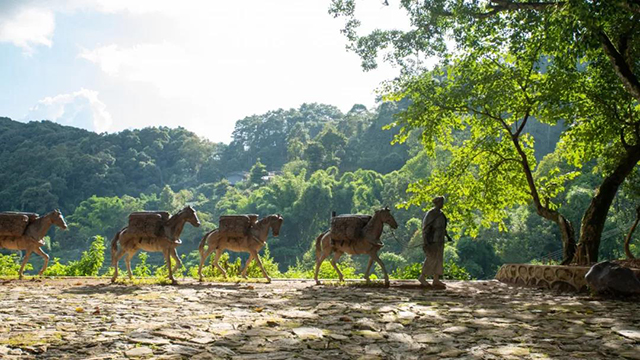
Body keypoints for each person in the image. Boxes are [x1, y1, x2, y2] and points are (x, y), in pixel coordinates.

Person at [418, 196, 452, 288]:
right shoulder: (431, 214)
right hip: (433, 239)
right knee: (431, 258)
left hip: (440, 239)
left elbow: (443, 228)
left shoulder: (441, 214)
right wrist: (426, 241)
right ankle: (422, 276)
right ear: (437, 203)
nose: (442, 204)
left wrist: (447, 236)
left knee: (439, 258)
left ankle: (436, 279)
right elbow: (426, 228)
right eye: (441, 202)